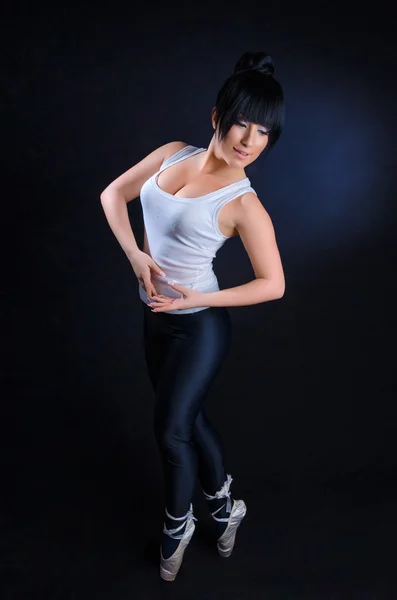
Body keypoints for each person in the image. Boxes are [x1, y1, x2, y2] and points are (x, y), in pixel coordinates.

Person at [100, 51, 285, 582]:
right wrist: (136, 254)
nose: (249, 141)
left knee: (171, 430)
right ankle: (226, 508)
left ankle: (178, 522)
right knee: (188, 419)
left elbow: (273, 285)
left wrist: (192, 302)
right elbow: (114, 194)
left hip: (200, 325)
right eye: (242, 125)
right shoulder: (170, 155)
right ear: (216, 118)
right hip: (155, 318)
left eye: (263, 133)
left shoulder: (244, 204)